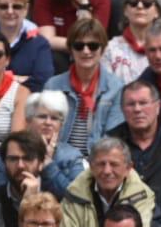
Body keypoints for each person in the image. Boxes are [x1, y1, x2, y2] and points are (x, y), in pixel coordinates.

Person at [43, 17, 122, 155]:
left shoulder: (116, 87)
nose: (86, 51)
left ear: (102, 49)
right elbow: (45, 133)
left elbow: (113, 137)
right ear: (71, 49)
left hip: (99, 160)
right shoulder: (53, 86)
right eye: (79, 46)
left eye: (93, 45)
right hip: (59, 159)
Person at [58, 134, 152, 227]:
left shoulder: (141, 196)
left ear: (128, 168)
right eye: (101, 164)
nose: (107, 171)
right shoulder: (74, 194)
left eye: (114, 164)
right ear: (91, 166)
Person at [107, 78, 161, 193]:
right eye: (131, 104)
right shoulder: (109, 145)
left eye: (143, 103)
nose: (137, 109)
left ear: (158, 106)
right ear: (122, 110)